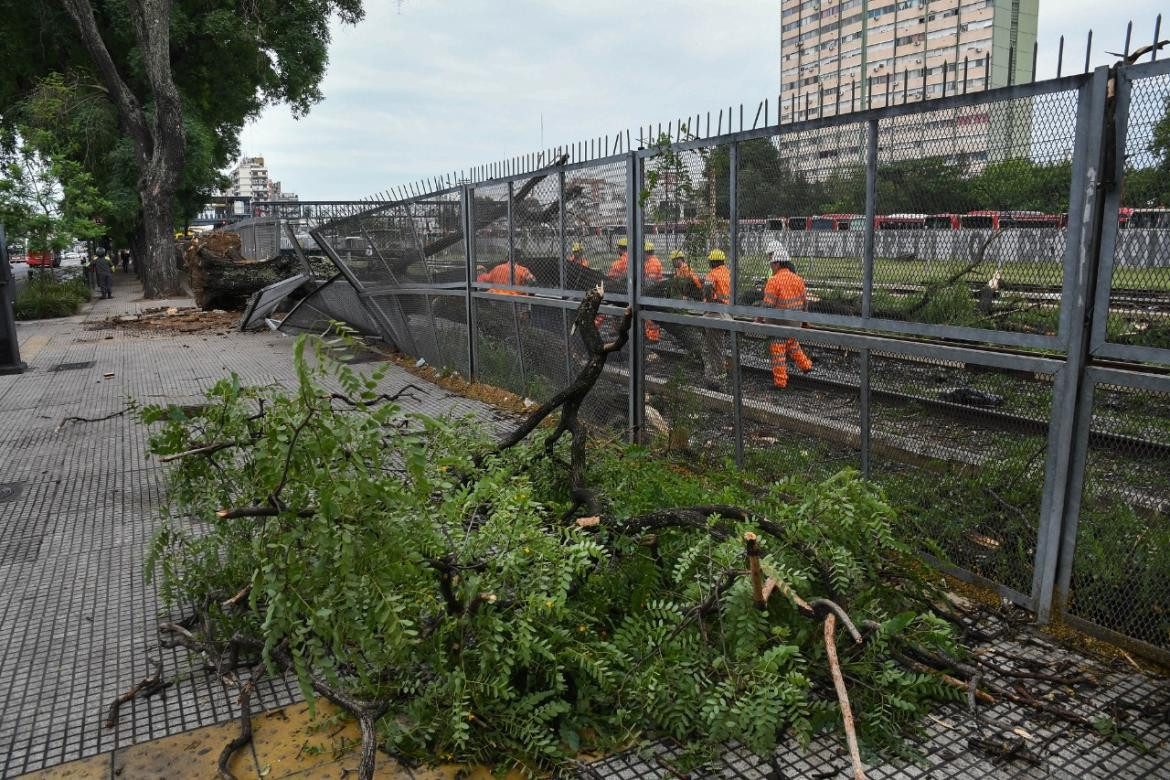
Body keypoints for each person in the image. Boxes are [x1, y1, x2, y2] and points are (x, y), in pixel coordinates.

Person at [759, 240, 812, 389]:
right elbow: (804, 303)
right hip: (795, 322)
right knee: (792, 344)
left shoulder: (773, 281)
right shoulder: (798, 279)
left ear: (776, 264)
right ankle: (806, 365)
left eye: (771, 264)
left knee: (777, 352)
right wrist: (805, 321)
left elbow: (767, 305)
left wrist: (758, 319)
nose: (770, 266)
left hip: (778, 323)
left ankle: (780, 383)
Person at [607, 239, 663, 342]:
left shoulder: (652, 263)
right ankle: (642, 334)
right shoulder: (638, 260)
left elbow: (650, 280)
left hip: (644, 293)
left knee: (645, 315)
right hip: (639, 292)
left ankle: (652, 337)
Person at [700, 249, 732, 387]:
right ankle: (712, 375)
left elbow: (707, 288)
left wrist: (710, 300)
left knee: (714, 348)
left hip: (714, 313)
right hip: (727, 313)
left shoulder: (712, 274)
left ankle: (719, 379)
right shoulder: (727, 273)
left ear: (713, 261)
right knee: (714, 347)